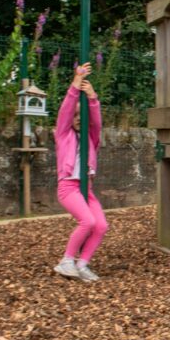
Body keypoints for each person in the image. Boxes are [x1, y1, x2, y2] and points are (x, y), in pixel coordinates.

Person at [52, 63, 108, 282]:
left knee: (102, 225)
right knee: (88, 222)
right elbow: (66, 110)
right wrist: (76, 82)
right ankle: (66, 261)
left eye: (81, 115)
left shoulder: (91, 138)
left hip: (87, 187)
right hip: (68, 186)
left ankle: (82, 264)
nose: (77, 118)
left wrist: (93, 99)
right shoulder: (63, 134)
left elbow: (97, 124)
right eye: (75, 115)